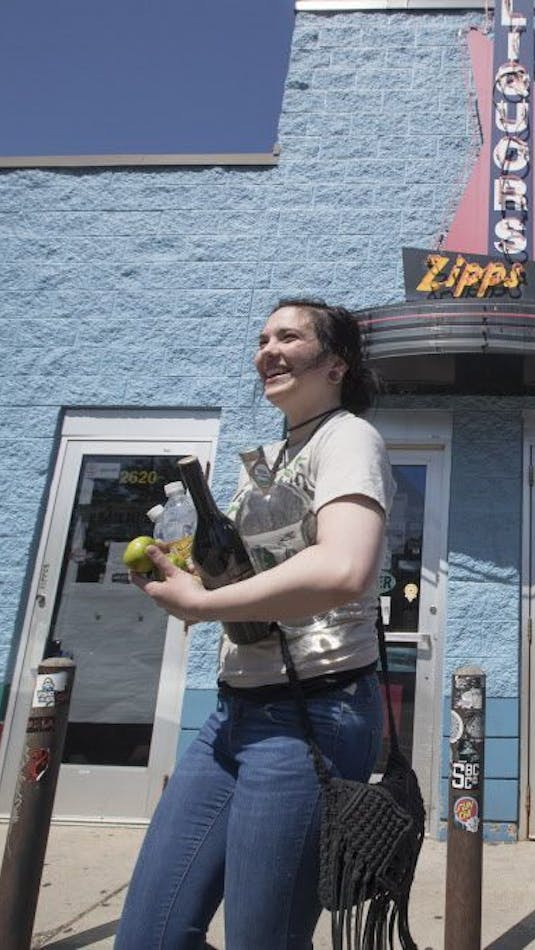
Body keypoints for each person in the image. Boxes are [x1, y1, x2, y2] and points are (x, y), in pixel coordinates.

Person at [116, 298, 395, 949]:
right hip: (233, 712)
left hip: (312, 717)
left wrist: (203, 606)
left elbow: (345, 568)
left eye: (289, 337)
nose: (267, 349)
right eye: (263, 337)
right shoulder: (265, 461)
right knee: (148, 938)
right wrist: (179, 566)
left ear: (336, 363)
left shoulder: (349, 437)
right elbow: (246, 577)